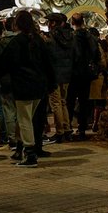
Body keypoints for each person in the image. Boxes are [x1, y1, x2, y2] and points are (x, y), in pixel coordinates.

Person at [0, 10, 54, 167]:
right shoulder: (39, 41)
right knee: (24, 118)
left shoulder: (17, 42)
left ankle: (30, 154)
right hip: (39, 87)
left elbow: (3, 63)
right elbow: (48, 64)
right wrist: (51, 84)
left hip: (23, 86)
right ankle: (20, 149)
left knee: (25, 119)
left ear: (17, 24)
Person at [68, 13, 101, 140]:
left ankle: (69, 128)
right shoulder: (91, 37)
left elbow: (74, 55)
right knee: (84, 101)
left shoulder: (73, 37)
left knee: (70, 101)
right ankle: (82, 129)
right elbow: (96, 54)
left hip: (75, 73)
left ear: (72, 22)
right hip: (87, 74)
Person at [44, 13, 75, 142]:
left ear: (53, 23)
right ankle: (67, 130)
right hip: (67, 73)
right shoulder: (70, 36)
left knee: (56, 103)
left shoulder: (52, 37)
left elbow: (49, 56)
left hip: (55, 74)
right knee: (63, 102)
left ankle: (60, 131)